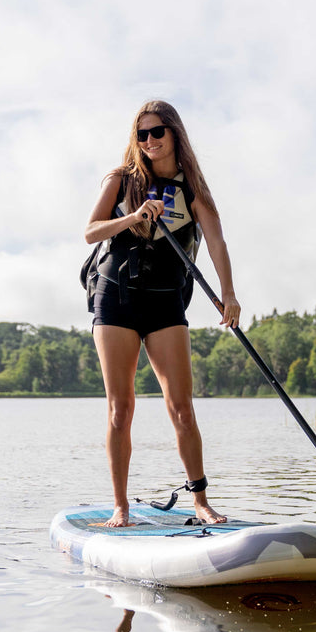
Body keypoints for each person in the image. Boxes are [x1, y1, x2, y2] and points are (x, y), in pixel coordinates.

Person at [84, 100, 240, 528]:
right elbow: (90, 231)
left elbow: (216, 243)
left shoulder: (192, 186)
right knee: (120, 408)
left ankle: (201, 502)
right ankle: (121, 508)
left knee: (182, 408)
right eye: (142, 134)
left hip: (165, 300)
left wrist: (228, 293)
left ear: (174, 134)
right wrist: (132, 217)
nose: (150, 141)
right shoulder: (120, 180)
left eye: (157, 132)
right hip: (115, 296)